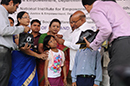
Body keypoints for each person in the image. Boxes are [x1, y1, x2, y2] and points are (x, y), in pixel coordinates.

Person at [82, 0, 130, 86]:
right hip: (126, 42)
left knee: (118, 78)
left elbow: (106, 29)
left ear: (86, 7)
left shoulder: (95, 9)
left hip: (122, 44)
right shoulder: (113, 4)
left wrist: (93, 45)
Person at [8, 11, 47, 86]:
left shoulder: (28, 33)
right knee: (17, 81)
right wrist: (38, 55)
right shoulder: (16, 30)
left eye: (29, 17)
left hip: (29, 60)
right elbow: (21, 47)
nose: (28, 19)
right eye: (25, 17)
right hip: (19, 60)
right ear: (19, 19)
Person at [55, 10, 93, 85]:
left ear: (82, 20)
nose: (73, 24)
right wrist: (62, 37)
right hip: (74, 66)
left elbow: (79, 46)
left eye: (75, 22)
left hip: (82, 68)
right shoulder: (77, 30)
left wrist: (63, 42)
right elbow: (71, 39)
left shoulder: (87, 30)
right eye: (72, 22)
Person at [0, 0, 30, 86]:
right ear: (10, 2)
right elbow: (3, 30)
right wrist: (22, 29)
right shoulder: (1, 11)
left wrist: (18, 47)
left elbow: (5, 38)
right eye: (16, 6)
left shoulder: (3, 13)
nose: (16, 10)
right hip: (2, 52)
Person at [37, 18, 69, 86]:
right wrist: (45, 56)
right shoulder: (43, 36)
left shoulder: (59, 39)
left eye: (58, 27)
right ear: (49, 27)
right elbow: (40, 48)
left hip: (57, 66)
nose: (55, 28)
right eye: (54, 26)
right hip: (45, 61)